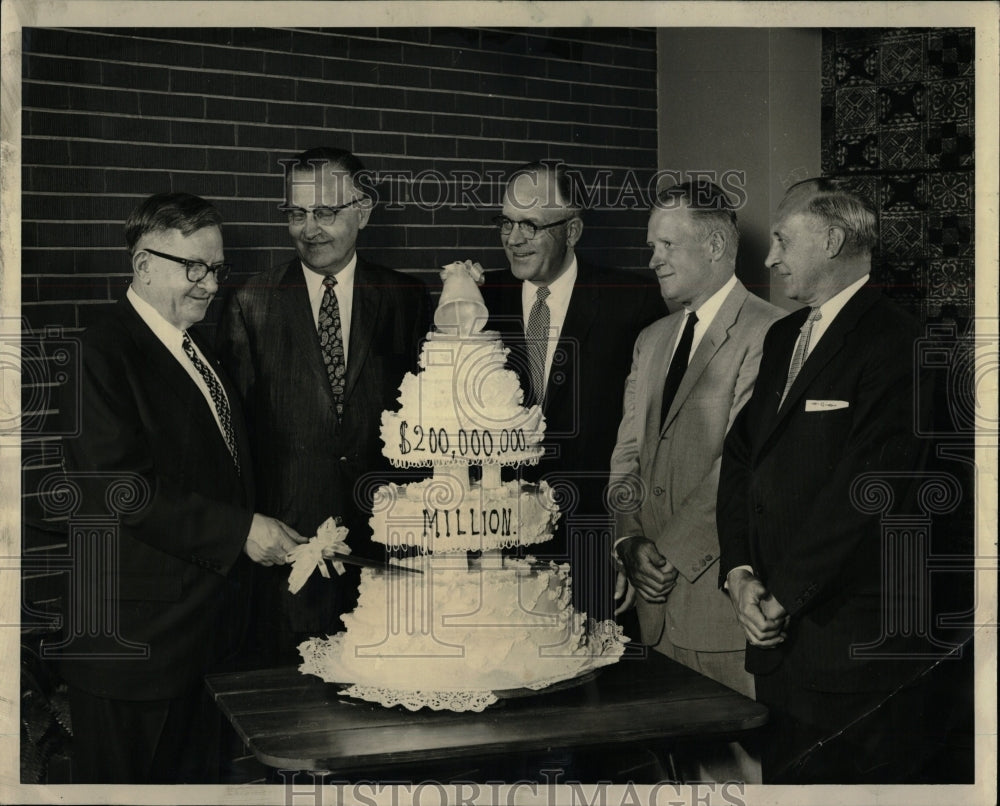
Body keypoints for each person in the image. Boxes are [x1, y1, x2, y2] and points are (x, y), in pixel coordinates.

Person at [57, 192, 306, 783]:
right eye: (192, 266)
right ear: (143, 265)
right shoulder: (100, 351)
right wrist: (240, 531)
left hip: (202, 648)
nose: (209, 283)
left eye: (215, 268)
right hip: (134, 657)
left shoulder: (200, 351)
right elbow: (118, 489)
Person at [717, 178, 938, 783]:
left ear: (833, 239)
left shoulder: (900, 344)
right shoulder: (785, 334)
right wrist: (738, 574)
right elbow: (740, 457)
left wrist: (780, 597)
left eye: (783, 240)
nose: (770, 257)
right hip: (775, 642)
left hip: (850, 654)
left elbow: (867, 492)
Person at [217, 147, 429, 664]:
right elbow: (230, 441)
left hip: (387, 557)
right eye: (296, 213)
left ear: (364, 210)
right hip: (288, 559)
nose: (308, 229)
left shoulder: (406, 297)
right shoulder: (250, 301)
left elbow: (424, 427)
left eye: (326, 212)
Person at [610, 180, 782, 699]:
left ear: (713, 246)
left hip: (717, 609)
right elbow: (627, 457)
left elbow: (741, 466)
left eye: (666, 245)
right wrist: (628, 542)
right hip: (651, 607)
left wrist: (664, 556)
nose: (653, 260)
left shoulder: (774, 332)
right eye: (651, 247)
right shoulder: (651, 339)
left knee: (735, 774)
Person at [479, 161, 665, 621]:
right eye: (506, 222)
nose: (513, 238)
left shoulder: (631, 299)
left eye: (531, 225)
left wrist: (623, 538)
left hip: (596, 546)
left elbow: (648, 437)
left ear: (573, 230)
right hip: (499, 549)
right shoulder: (479, 299)